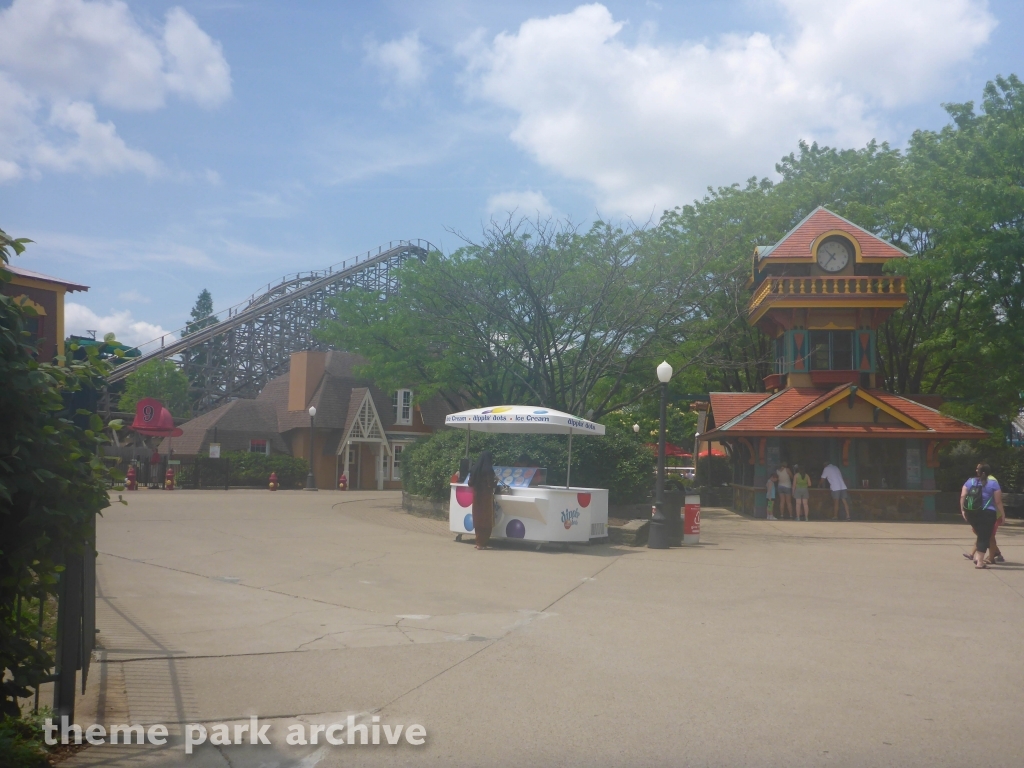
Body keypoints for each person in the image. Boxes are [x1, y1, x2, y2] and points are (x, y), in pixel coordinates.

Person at [960, 463, 1004, 569]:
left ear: (978, 471)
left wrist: (963, 510)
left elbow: (963, 496)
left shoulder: (969, 482)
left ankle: (976, 557)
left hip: (971, 513)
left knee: (981, 535)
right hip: (987, 513)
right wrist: (1002, 515)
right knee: (984, 537)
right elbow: (998, 501)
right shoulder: (993, 484)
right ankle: (980, 562)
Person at [468, 451, 497, 549]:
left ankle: (478, 542)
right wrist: (496, 481)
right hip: (486, 498)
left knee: (477, 519)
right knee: (486, 520)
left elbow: (470, 483)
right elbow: (491, 485)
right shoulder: (488, 470)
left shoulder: (474, 469)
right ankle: (483, 543)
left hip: (476, 497)